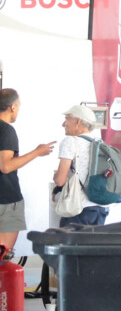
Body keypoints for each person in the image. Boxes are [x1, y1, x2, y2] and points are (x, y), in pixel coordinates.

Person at [0, 89, 55, 257]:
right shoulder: (6, 131)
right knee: (3, 255)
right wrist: (37, 152)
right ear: (12, 107)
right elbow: (6, 166)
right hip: (5, 200)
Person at [53, 104, 110, 227]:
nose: (64, 124)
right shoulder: (100, 142)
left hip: (79, 209)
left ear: (77, 121)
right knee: (91, 246)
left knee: (68, 245)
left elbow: (60, 180)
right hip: (101, 208)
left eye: (67, 119)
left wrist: (56, 177)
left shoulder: (71, 141)